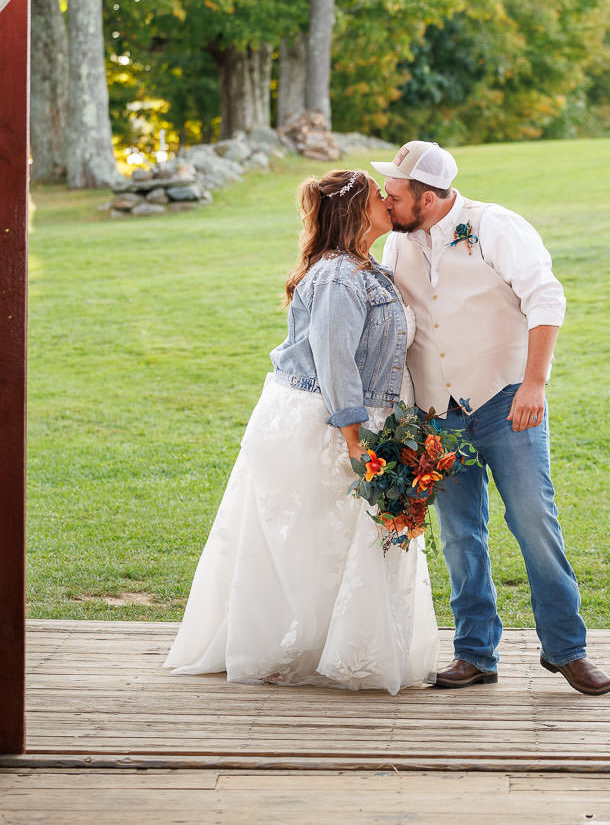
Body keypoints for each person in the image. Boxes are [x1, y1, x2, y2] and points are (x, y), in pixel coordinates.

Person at [165, 169, 439, 694]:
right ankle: (295, 648)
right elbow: (336, 362)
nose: (388, 201)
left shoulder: (367, 268)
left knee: (349, 539)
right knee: (315, 539)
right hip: (328, 421)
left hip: (369, 418)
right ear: (356, 211)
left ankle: (344, 647)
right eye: (377, 196)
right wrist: (355, 442)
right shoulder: (338, 277)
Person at [373, 141, 610, 695]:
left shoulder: (494, 225)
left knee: (534, 523)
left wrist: (534, 384)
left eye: (395, 194)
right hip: (437, 413)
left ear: (428, 198)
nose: (387, 202)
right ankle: (475, 653)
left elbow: (546, 299)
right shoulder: (397, 242)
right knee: (461, 537)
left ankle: (567, 650)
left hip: (506, 402)